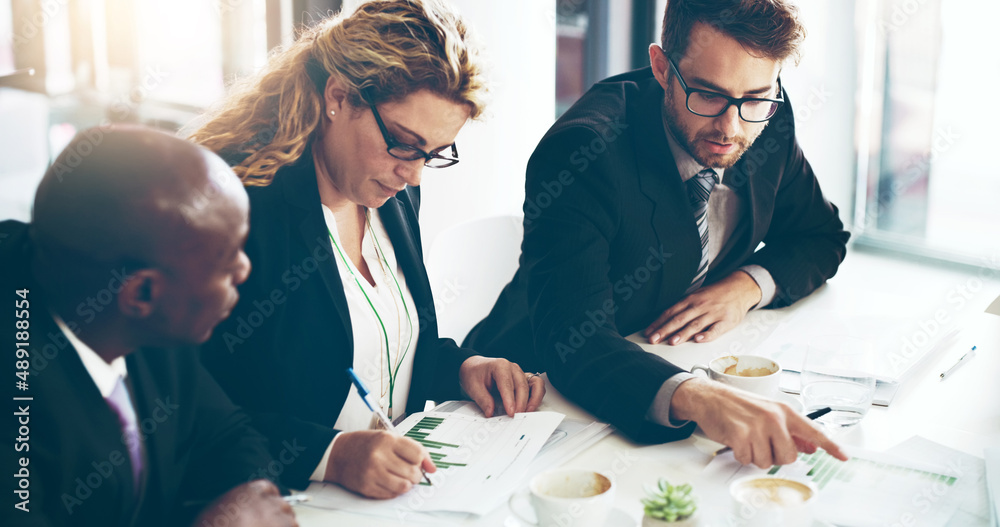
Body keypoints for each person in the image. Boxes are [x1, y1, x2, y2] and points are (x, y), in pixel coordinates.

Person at [465, 0, 851, 468]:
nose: (731, 128)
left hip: (675, 359)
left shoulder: (765, 118)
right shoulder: (584, 152)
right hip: (529, 403)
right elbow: (575, 340)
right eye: (708, 95)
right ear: (662, 68)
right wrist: (705, 400)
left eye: (754, 98)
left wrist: (746, 287)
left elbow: (821, 235)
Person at [191, 0, 544, 498]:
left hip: (395, 491)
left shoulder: (391, 192)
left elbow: (384, 350)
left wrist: (460, 369)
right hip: (282, 498)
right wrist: (328, 454)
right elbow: (182, 406)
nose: (415, 174)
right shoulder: (242, 206)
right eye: (403, 143)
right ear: (338, 97)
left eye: (435, 154)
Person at [0, 126, 297, 527]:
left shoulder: (144, 308)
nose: (244, 270)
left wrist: (244, 497)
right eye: (226, 260)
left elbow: (227, 435)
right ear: (141, 294)